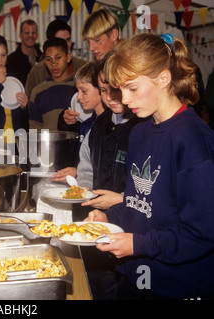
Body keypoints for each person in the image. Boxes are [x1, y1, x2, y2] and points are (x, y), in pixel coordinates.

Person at [87, 33, 214, 299]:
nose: (124, 99)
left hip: (178, 285)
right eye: (120, 89)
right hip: (137, 279)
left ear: (163, 79)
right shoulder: (140, 132)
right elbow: (138, 203)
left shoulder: (192, 139)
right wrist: (109, 218)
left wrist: (138, 244)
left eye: (132, 88)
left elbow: (201, 234)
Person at [58, 8, 120, 132]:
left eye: (97, 40)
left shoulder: (129, 70)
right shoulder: (98, 69)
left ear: (114, 34)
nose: (91, 48)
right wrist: (69, 117)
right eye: (88, 42)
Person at [51, 61, 105, 182]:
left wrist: (77, 172)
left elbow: (108, 169)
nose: (79, 97)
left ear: (101, 89)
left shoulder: (110, 126)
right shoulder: (86, 124)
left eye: (84, 91)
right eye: (77, 91)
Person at [25, 19, 87, 98]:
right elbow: (28, 101)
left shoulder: (83, 67)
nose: (66, 44)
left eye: (68, 39)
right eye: (60, 41)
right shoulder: (37, 72)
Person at [28, 37, 76, 130]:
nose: (53, 63)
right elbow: (34, 128)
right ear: (44, 62)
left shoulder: (80, 88)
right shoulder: (37, 91)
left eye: (58, 58)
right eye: (48, 59)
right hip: (47, 144)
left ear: (68, 58)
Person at [6, 19, 42, 87]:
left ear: (37, 35)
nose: (30, 36)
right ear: (20, 35)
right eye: (27, 33)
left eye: (33, 33)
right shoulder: (10, 62)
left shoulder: (44, 59)